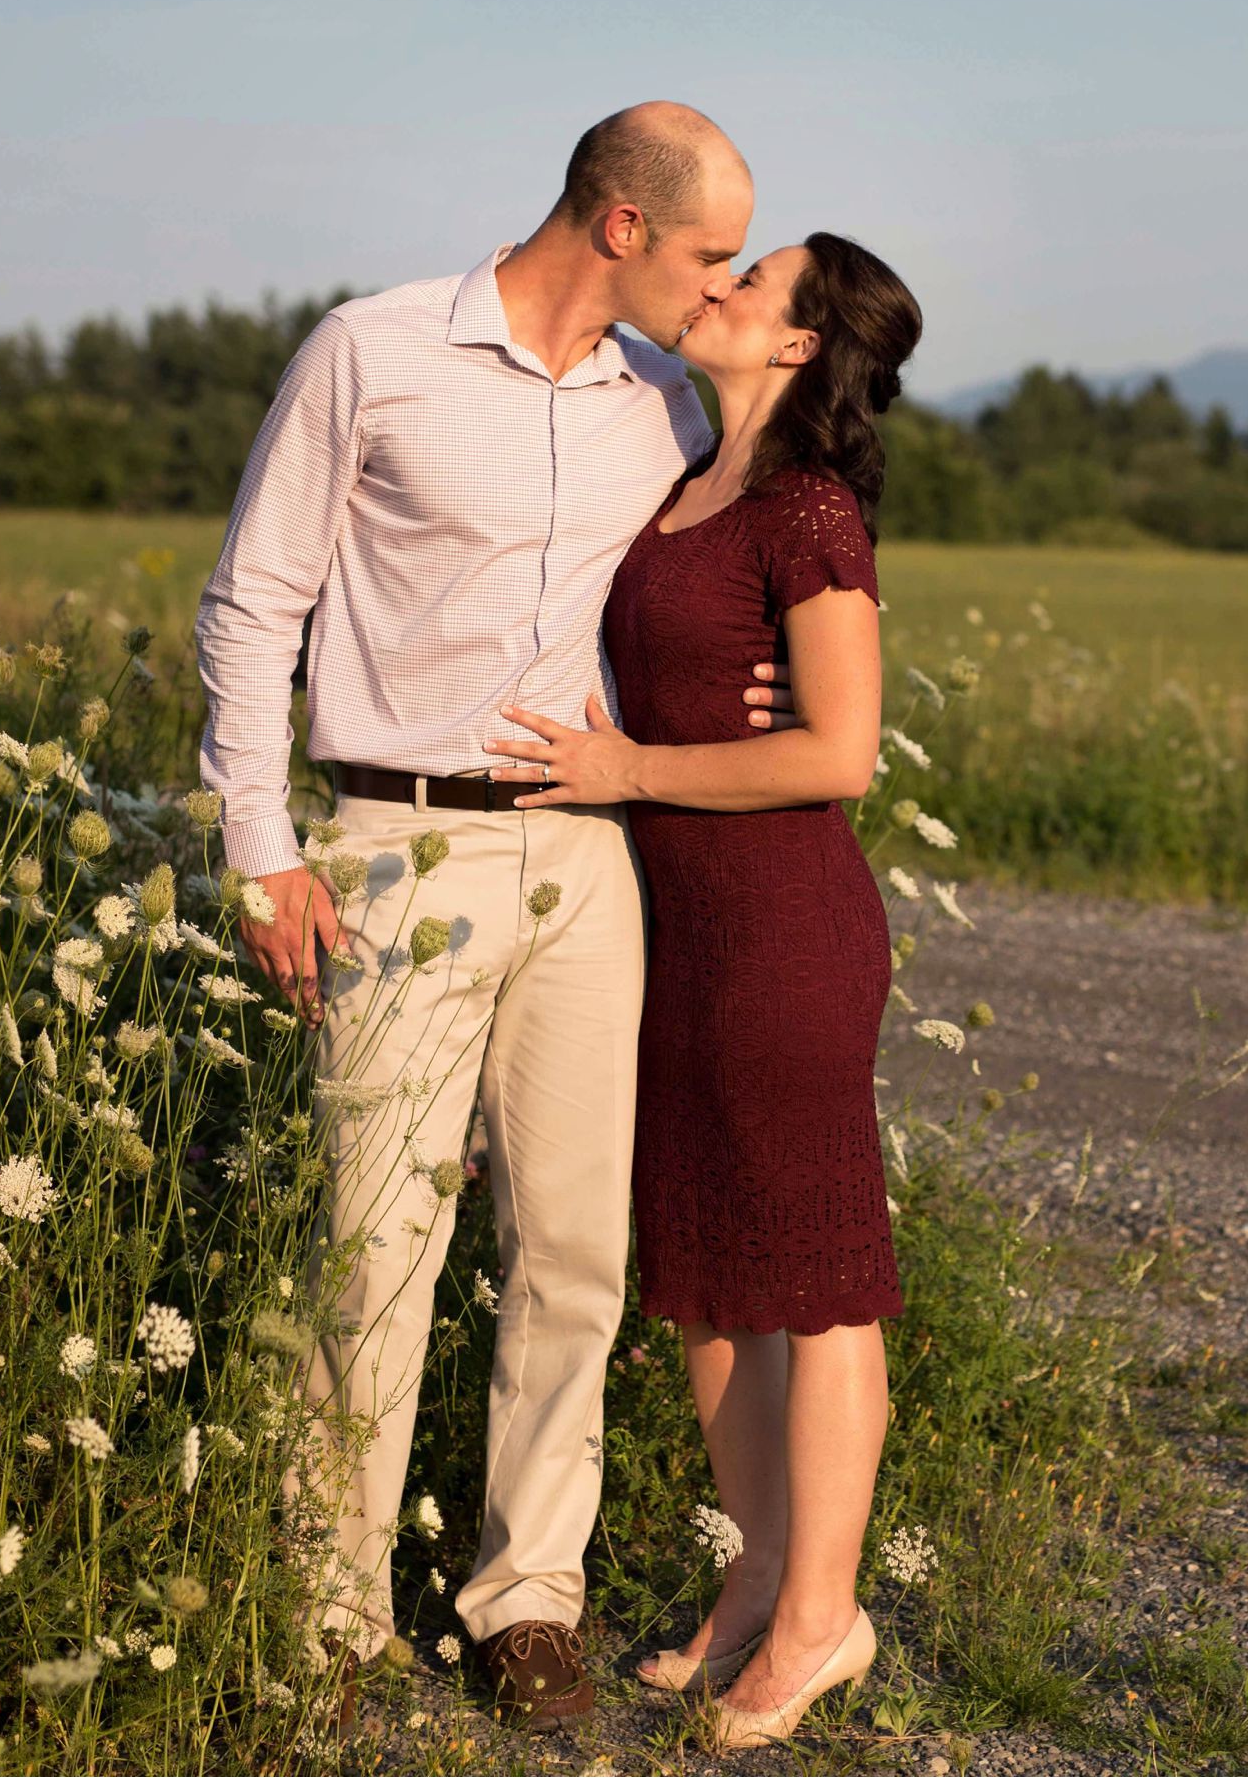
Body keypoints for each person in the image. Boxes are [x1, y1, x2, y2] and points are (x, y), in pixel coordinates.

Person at [193, 103, 798, 1726]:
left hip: (585, 861)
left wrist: (758, 685)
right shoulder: (371, 351)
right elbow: (258, 599)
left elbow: (725, 571)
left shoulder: (666, 403)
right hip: (396, 846)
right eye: (705, 254)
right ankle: (325, 1612)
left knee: (576, 1251)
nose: (719, 284)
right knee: (375, 1243)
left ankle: (526, 1596)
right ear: (616, 224)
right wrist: (263, 849)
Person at [484, 230, 923, 1750]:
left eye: (757, 281)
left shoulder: (809, 512)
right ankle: (754, 1582)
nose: (721, 286)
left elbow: (840, 751)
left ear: (799, 346)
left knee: (815, 1283)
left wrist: (629, 768)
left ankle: (824, 1616)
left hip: (784, 934)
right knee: (707, 1279)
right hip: (666, 924)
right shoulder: (680, 473)